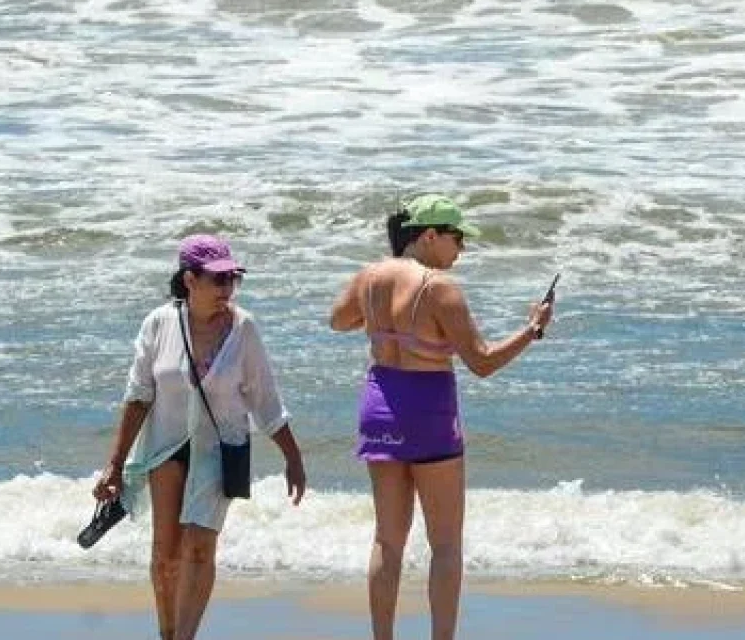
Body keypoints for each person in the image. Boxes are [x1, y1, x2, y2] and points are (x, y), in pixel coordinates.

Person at [328, 194, 553, 640]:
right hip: (427, 409)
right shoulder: (439, 287)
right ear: (429, 236)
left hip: (379, 407)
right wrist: (533, 330)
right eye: (457, 238)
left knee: (387, 541)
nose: (462, 248)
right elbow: (482, 362)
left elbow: (337, 320)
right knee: (445, 544)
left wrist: (381, 323)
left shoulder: (370, 276)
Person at [91, 234, 308, 640]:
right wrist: (114, 465)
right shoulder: (159, 323)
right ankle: (168, 632)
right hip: (165, 447)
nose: (228, 289)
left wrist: (293, 458)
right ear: (190, 279)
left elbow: (265, 400)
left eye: (233, 279)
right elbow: (138, 396)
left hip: (219, 449)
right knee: (166, 554)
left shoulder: (244, 329)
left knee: (199, 546)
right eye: (218, 279)